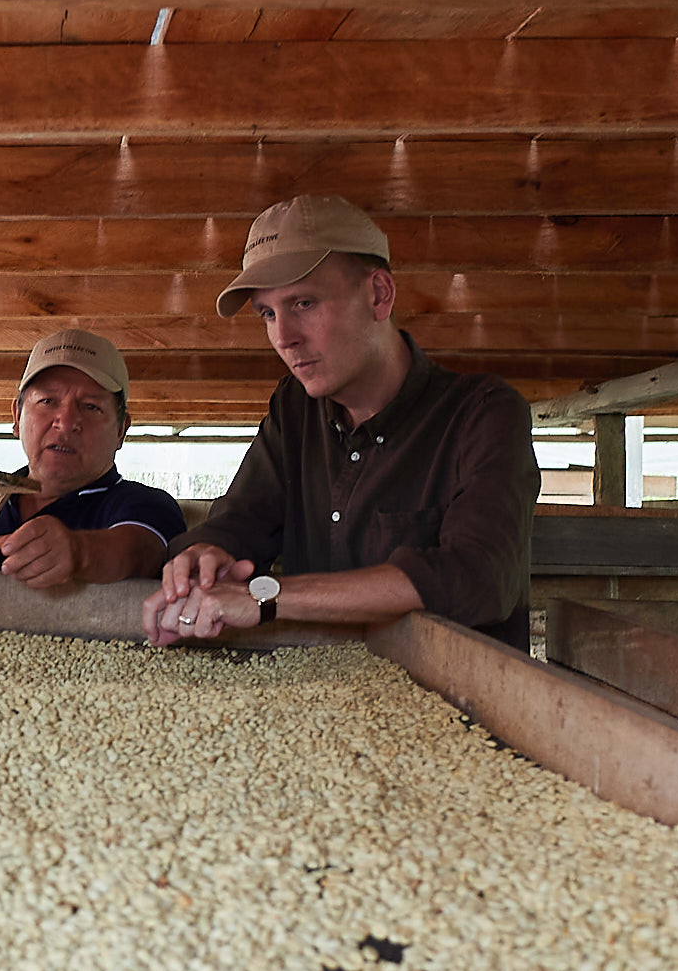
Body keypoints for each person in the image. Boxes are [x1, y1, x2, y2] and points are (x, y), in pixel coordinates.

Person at [144, 195, 539, 650]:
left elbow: (479, 578)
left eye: (304, 303)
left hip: (457, 706)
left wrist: (265, 599)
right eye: (268, 314)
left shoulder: (483, 412)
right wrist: (204, 558)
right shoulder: (294, 409)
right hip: (317, 703)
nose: (283, 338)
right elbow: (240, 522)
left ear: (379, 295)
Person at [0, 328, 185, 587]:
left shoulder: (147, 506)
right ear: (17, 416)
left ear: (120, 430)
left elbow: (141, 552)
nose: (66, 422)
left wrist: (79, 552)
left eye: (91, 406)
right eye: (48, 401)